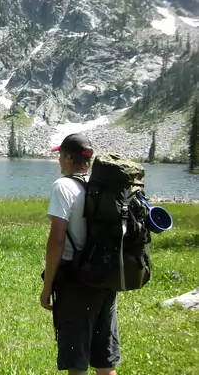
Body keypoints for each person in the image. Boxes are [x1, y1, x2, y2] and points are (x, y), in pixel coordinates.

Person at [41, 132, 120, 375]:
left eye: (59, 156)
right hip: (106, 277)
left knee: (77, 362)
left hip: (76, 282)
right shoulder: (100, 186)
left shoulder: (63, 186)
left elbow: (57, 239)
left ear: (66, 157)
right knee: (105, 359)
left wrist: (47, 287)